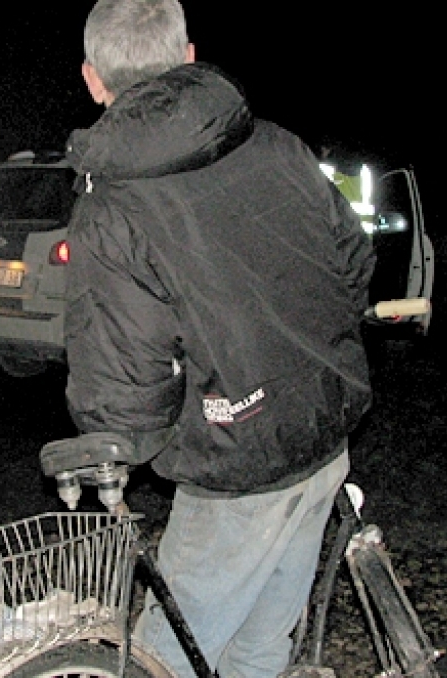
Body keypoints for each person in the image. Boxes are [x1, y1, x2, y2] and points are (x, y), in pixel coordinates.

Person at [63, 2, 377, 676]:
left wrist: (123, 446)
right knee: (259, 646)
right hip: (323, 435)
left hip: (237, 466)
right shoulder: (277, 144)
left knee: (161, 658)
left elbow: (124, 375)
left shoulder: (112, 207)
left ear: (93, 79)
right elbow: (351, 262)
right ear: (187, 55)